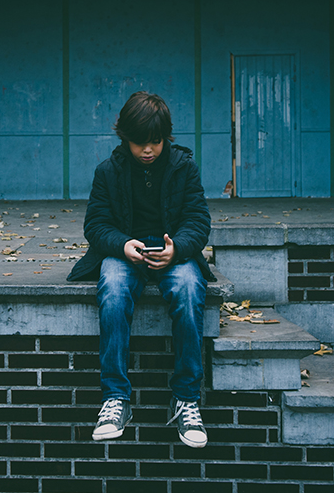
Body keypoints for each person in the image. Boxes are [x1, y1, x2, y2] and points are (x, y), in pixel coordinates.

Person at [67, 91, 216, 448]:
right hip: (124, 251)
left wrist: (177, 248)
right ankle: (115, 399)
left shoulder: (184, 167)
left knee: (188, 289)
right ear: (124, 137)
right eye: (139, 142)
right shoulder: (108, 171)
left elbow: (199, 219)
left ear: (166, 138)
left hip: (173, 252)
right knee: (114, 289)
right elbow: (96, 223)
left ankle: (186, 400)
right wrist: (121, 245)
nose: (147, 150)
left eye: (155, 141)